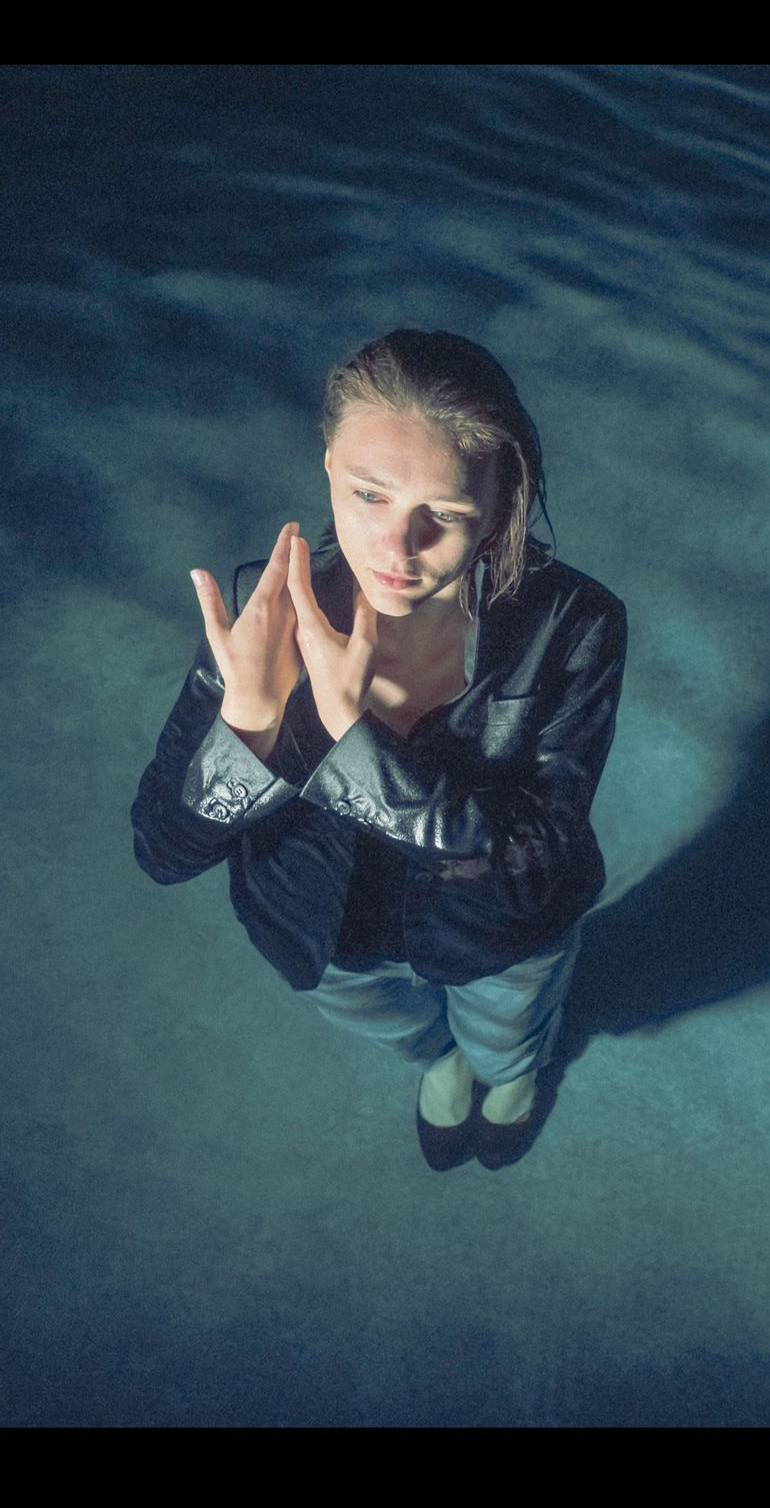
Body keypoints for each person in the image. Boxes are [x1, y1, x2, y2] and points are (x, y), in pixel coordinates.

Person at [131, 330, 627, 1171]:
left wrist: (351, 745)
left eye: (447, 515)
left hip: (498, 936)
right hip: (321, 933)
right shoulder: (262, 612)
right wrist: (249, 722)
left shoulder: (573, 623)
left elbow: (532, 867)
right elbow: (161, 851)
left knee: (508, 1030)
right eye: (369, 494)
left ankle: (510, 1071)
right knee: (400, 1027)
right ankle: (439, 1060)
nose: (398, 550)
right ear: (328, 465)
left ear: (500, 503)